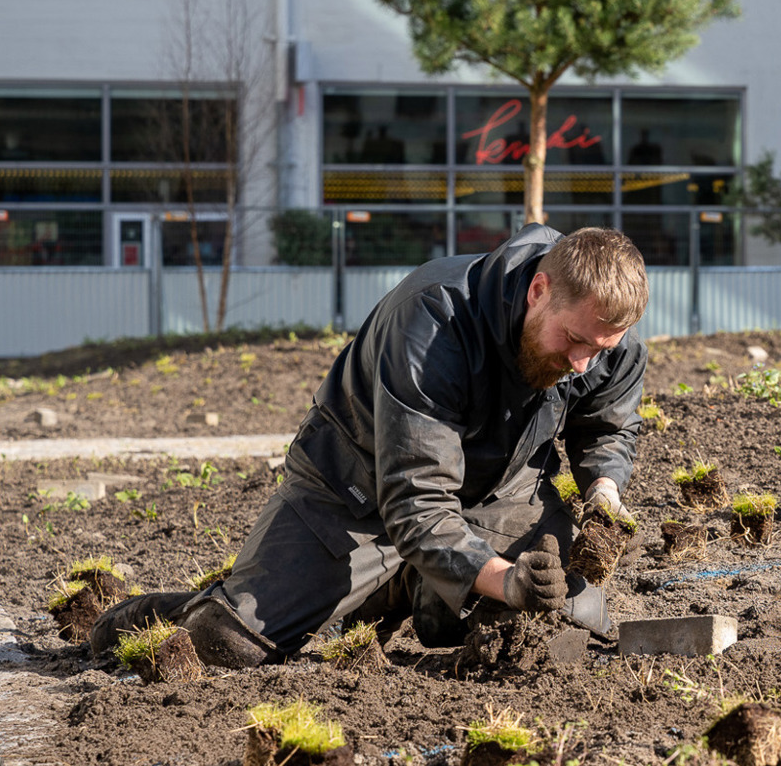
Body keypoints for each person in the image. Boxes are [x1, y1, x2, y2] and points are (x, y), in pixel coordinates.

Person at [90, 225, 649, 668]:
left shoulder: (600, 331)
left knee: (565, 618)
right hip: (356, 492)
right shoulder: (433, 321)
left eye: (601, 349)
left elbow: (607, 426)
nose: (584, 362)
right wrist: (506, 580)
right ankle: (165, 613)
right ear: (538, 291)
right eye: (574, 341)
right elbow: (417, 503)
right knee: (229, 644)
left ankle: (410, 587)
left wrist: (604, 491)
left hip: (495, 492)